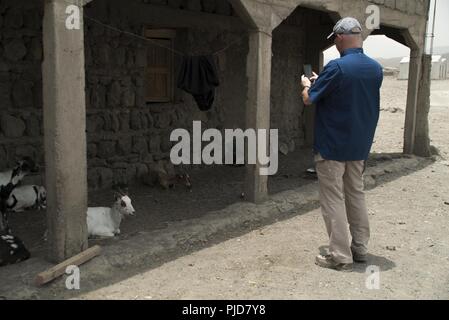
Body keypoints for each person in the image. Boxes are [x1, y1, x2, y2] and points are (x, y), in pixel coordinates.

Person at [301, 17, 384, 272]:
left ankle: (339, 255)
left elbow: (309, 100)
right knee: (355, 195)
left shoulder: (336, 67)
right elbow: (348, 94)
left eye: (334, 40)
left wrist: (307, 85)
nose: (334, 44)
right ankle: (359, 248)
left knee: (334, 199)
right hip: (358, 146)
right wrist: (322, 80)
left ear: (339, 37)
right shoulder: (375, 68)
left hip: (332, 147)